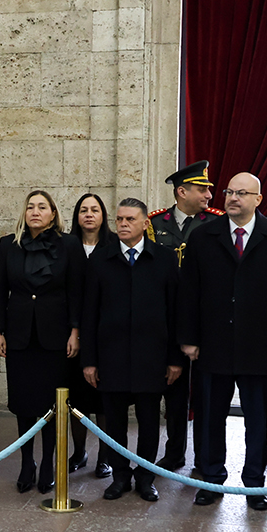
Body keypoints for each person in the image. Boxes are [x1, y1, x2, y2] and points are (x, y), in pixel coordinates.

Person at [177, 171, 267, 512]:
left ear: (258, 200)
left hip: (259, 348)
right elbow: (189, 293)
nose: (233, 198)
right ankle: (211, 479)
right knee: (210, 417)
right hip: (212, 345)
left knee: (257, 420)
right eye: (229, 192)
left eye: (242, 193)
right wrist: (188, 338)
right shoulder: (204, 237)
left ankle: (255, 484)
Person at [82, 199, 183, 502]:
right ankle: (120, 476)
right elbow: (90, 313)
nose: (123, 224)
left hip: (151, 357)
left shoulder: (164, 259)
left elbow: (176, 312)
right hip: (111, 356)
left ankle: (145, 477)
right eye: (119, 219)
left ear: (144, 224)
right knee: (114, 423)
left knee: (150, 421)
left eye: (130, 219)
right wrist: (89, 361)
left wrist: (175, 359)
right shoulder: (101, 260)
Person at [0, 191, 81, 493]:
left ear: (53, 214)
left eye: (42, 207)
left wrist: (75, 330)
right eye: (30, 206)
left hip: (54, 336)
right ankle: (26, 462)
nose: (35, 211)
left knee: (51, 404)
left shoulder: (69, 244)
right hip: (18, 336)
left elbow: (76, 291)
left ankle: (48, 463)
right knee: (23, 404)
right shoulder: (9, 244)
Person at [150, 161, 224, 470]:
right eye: (201, 188)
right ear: (182, 192)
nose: (209, 194)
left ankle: (204, 457)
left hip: (204, 319)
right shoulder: (155, 223)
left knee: (205, 393)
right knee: (173, 391)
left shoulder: (216, 222)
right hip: (166, 319)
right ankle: (174, 452)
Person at [65, 193, 116, 480]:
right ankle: (79, 451)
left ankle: (104, 457)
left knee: (103, 398)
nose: (89, 215)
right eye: (83, 210)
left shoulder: (113, 245)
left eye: (94, 209)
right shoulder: (67, 244)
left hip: (104, 332)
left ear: (102, 215)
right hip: (73, 331)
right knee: (77, 398)